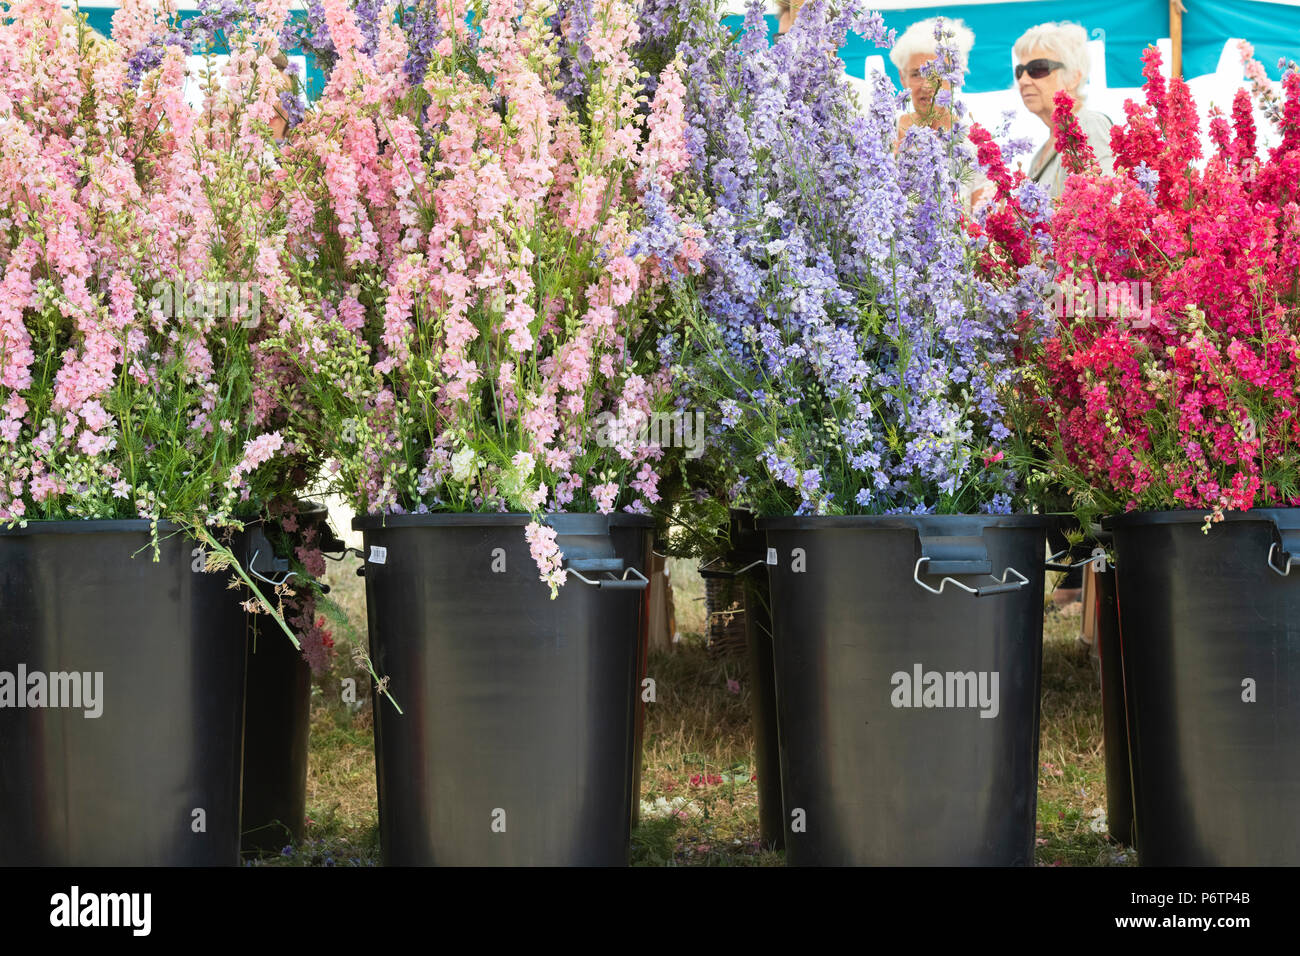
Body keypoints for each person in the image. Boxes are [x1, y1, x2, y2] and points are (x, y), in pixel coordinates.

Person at [1014, 22, 1114, 198]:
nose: (1023, 80)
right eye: (1020, 71)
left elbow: (1109, 203)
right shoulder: (1040, 154)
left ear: (1074, 77)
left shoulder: (1089, 126)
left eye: (1037, 69)